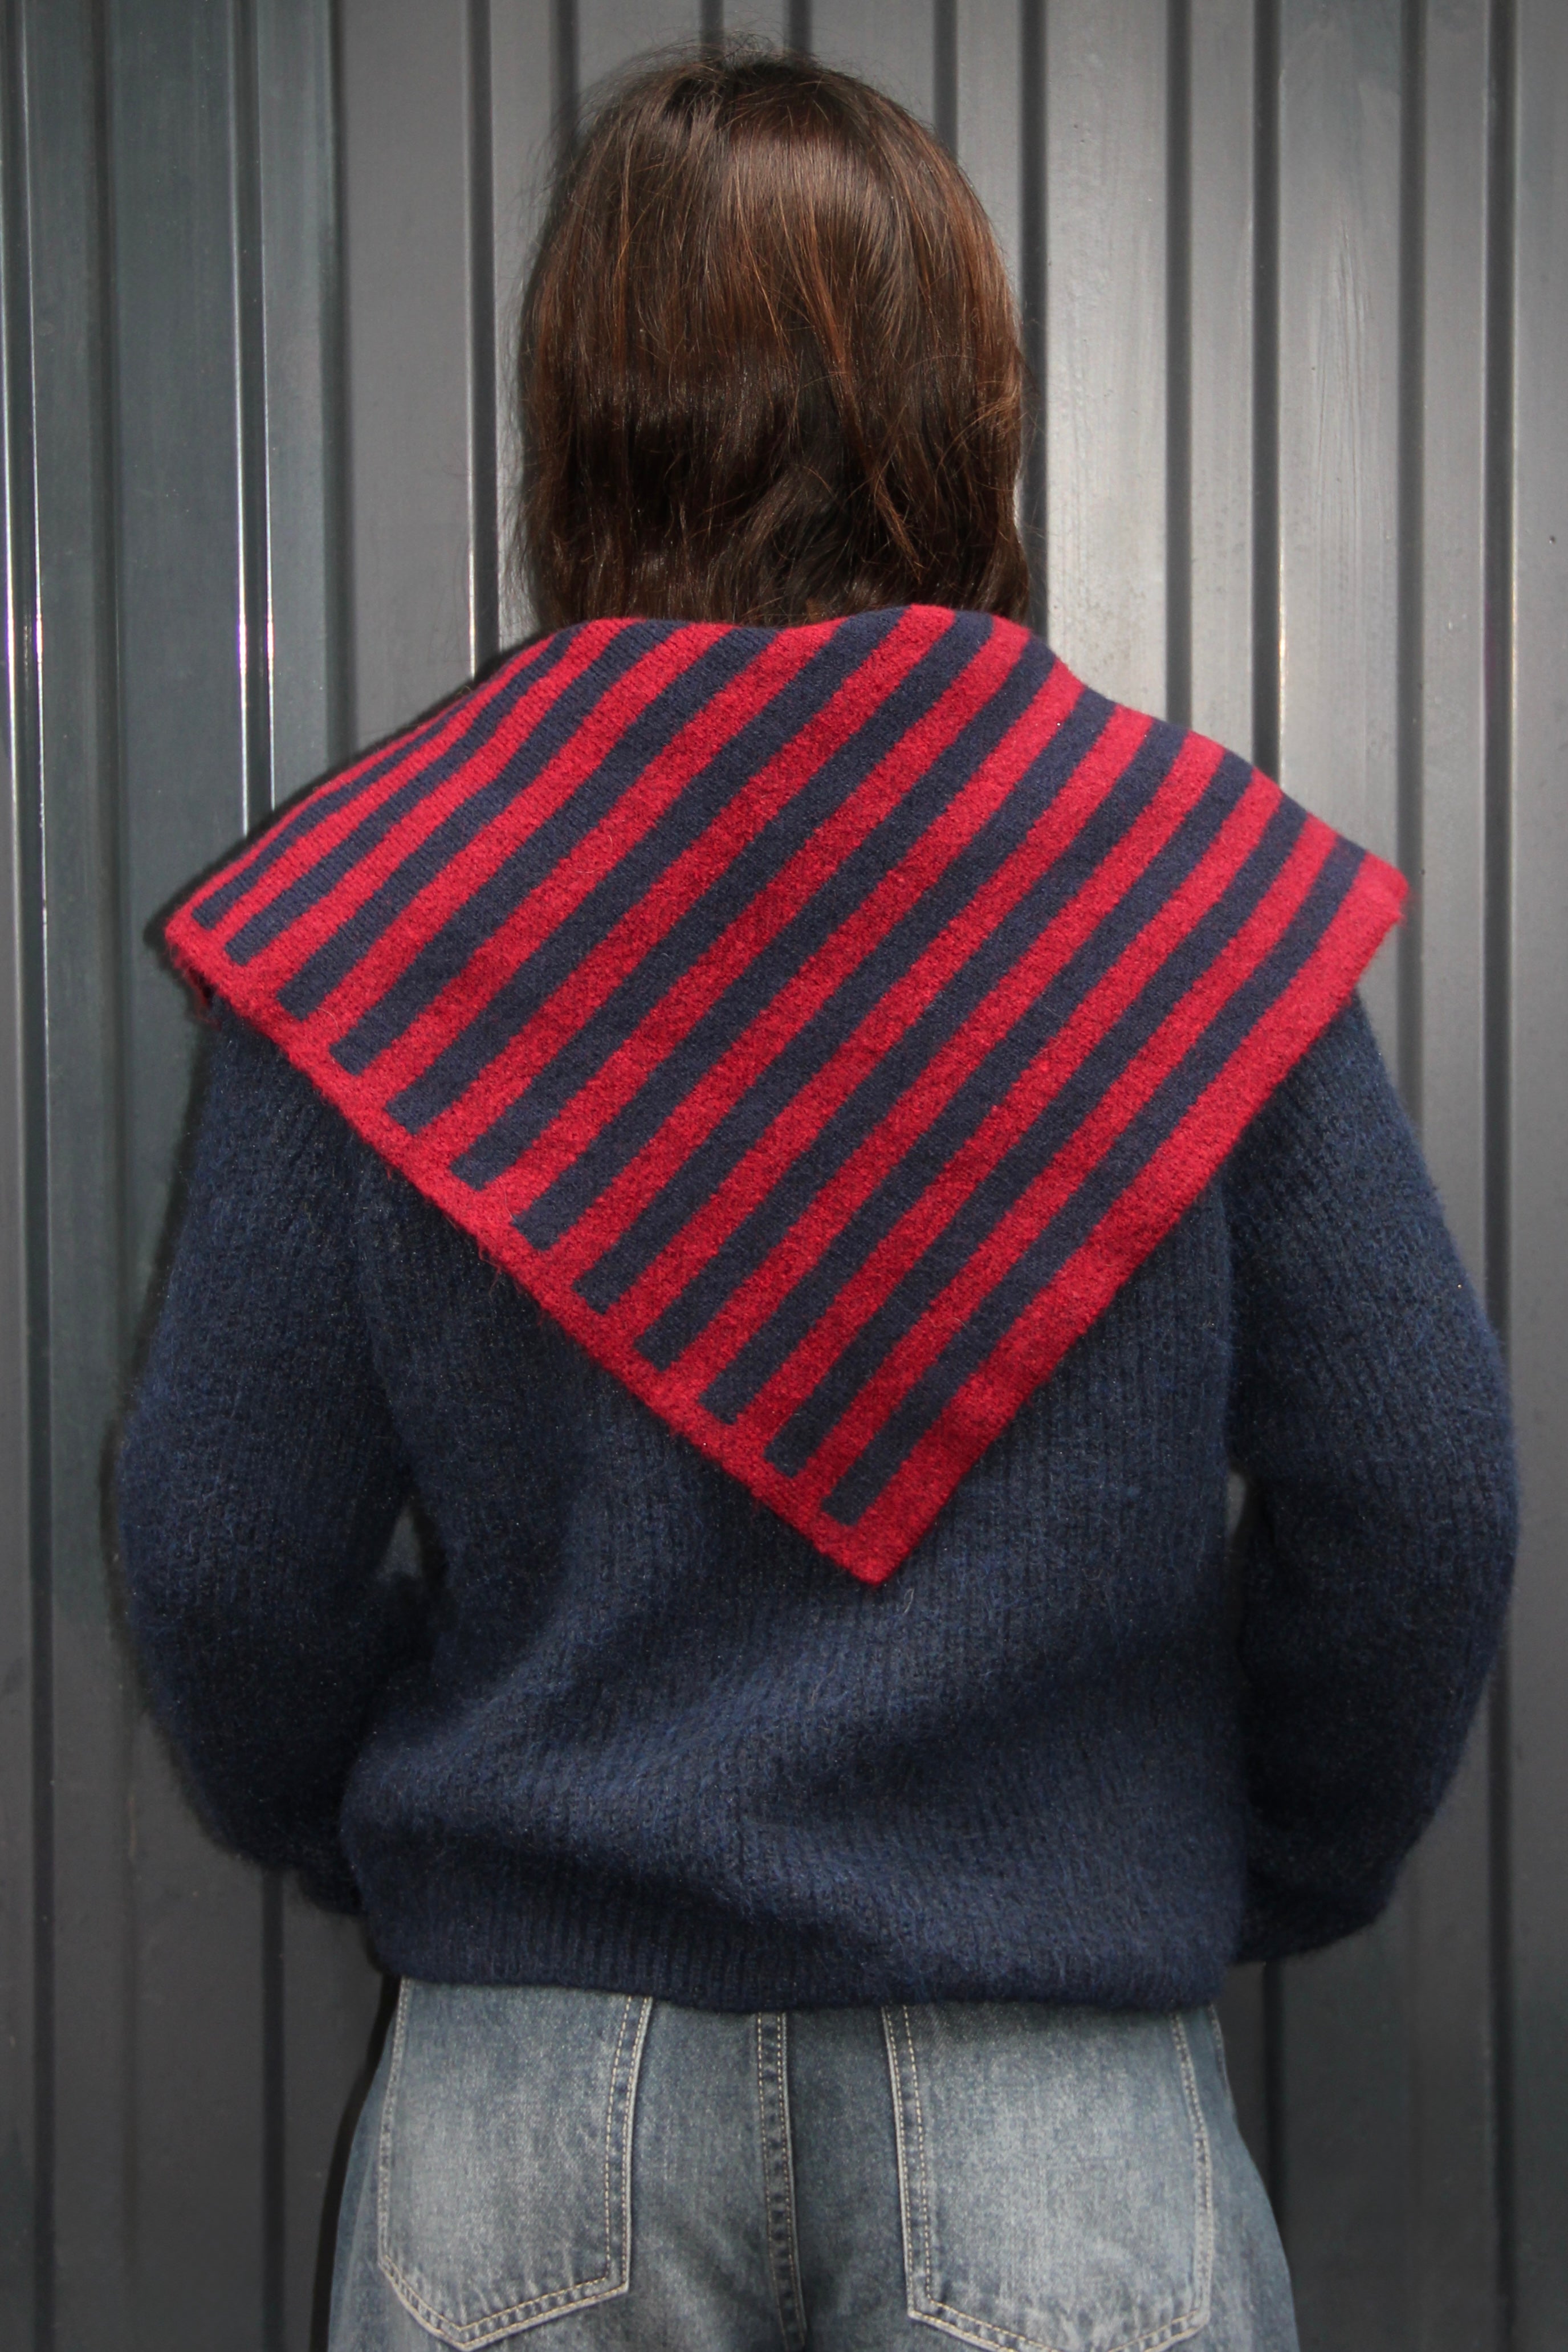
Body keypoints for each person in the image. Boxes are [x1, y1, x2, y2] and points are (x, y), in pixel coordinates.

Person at [117, 44, 1516, 2352]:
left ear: (579, 413)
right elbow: (1422, 1490)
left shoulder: (375, 913)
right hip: (1058, 2094)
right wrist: (1232, 1859)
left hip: (525, 2105)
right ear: (967, 407)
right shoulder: (1182, 903)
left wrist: (416, 1834)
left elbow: (212, 1545)